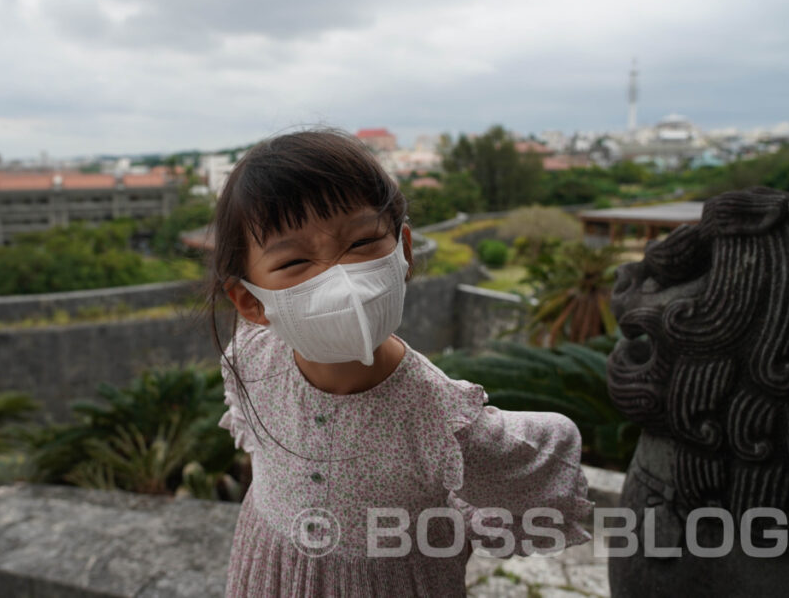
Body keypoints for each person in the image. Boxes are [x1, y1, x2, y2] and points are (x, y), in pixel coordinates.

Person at [208, 128, 593, 597]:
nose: (341, 279)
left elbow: (539, 462)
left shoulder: (443, 419)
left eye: (362, 242)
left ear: (403, 251)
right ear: (250, 302)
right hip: (266, 570)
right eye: (294, 262)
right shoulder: (251, 358)